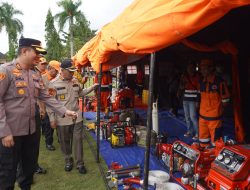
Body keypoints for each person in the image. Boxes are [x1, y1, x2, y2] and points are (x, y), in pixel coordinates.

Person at [0, 38, 77, 190]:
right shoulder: (6, 70)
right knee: (7, 174)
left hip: (31, 130)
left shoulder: (35, 73)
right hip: (11, 132)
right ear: (24, 51)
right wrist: (4, 132)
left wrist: (64, 110)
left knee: (28, 170)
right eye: (36, 53)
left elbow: (45, 96)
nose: (39, 57)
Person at [48, 59, 97, 174]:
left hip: (77, 117)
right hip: (63, 119)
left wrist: (92, 87)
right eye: (70, 71)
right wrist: (52, 118)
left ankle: (80, 164)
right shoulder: (53, 84)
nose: (73, 74)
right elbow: (50, 103)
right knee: (65, 142)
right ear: (63, 71)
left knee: (78, 140)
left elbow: (81, 92)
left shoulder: (75, 81)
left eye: (73, 71)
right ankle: (68, 161)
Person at [198, 59, 230, 147]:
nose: (202, 71)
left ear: (211, 69)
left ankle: (216, 159)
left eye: (205, 68)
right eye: (202, 69)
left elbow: (225, 101)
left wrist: (218, 111)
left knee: (216, 144)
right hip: (202, 118)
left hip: (215, 119)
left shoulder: (220, 82)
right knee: (203, 142)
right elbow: (199, 97)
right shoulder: (201, 82)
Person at [41, 60, 61, 151]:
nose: (57, 72)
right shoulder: (42, 78)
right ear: (50, 68)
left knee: (59, 123)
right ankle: (49, 143)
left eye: (57, 70)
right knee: (49, 125)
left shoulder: (58, 78)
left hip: (58, 105)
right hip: (47, 106)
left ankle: (60, 139)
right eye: (55, 70)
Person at [178, 63, 200, 140]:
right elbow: (181, 87)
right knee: (187, 117)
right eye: (188, 67)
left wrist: (197, 101)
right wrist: (182, 84)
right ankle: (190, 131)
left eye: (191, 67)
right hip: (185, 99)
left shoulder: (197, 77)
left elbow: (199, 90)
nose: (190, 69)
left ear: (194, 68)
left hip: (193, 100)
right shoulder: (184, 76)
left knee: (193, 117)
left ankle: (198, 133)